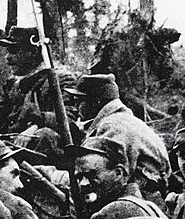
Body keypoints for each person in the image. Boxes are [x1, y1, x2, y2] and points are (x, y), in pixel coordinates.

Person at [65, 73, 170, 207]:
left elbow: (102, 176)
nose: (75, 107)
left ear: (95, 102)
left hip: (139, 202)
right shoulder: (122, 120)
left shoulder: (113, 126)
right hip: (144, 197)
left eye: (79, 101)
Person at [0, 26, 77, 161]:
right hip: (13, 146)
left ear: (33, 51)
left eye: (14, 51)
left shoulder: (59, 80)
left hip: (45, 153)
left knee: (44, 135)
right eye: (8, 51)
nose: (7, 57)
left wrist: (37, 124)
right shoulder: (14, 84)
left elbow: (69, 120)